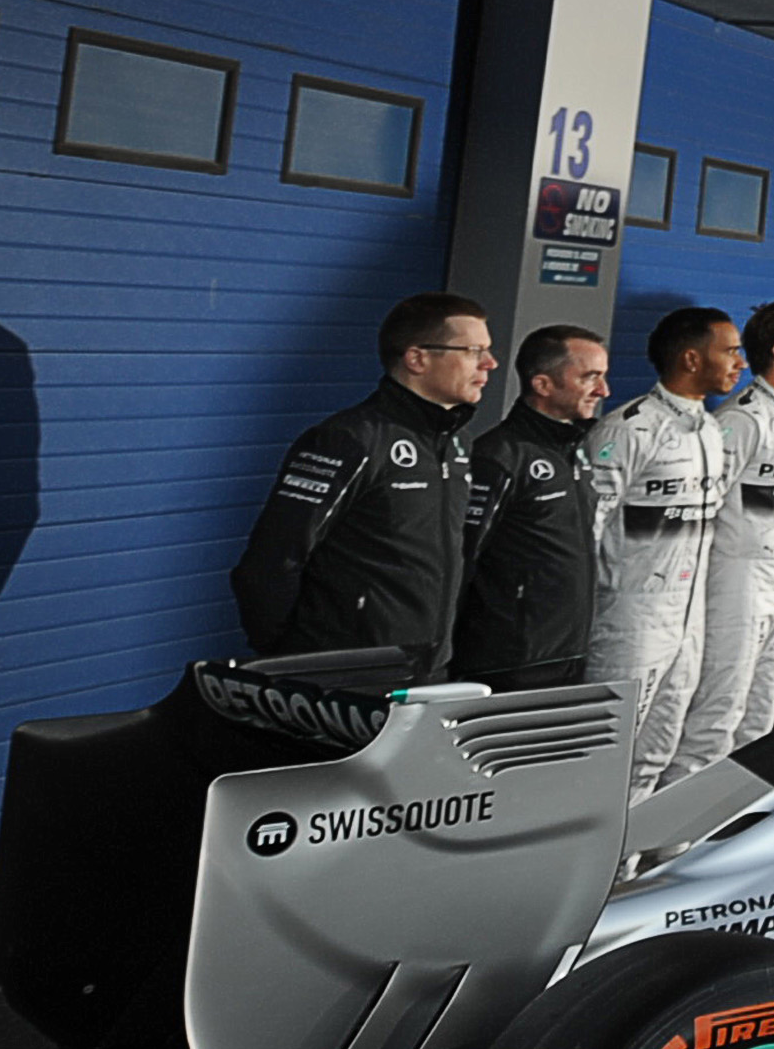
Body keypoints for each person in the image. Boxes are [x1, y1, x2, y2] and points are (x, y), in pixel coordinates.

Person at [234, 290, 495, 668]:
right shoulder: (350, 439)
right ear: (418, 358)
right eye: (472, 351)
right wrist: (291, 658)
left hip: (428, 672)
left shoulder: (456, 442)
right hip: (349, 677)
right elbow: (270, 562)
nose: (490, 363)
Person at [584, 308, 742, 789]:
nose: (740, 362)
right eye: (730, 351)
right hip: (631, 618)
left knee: (659, 747)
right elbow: (587, 531)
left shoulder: (713, 431)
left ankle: (636, 860)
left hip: (688, 617)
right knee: (606, 753)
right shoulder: (627, 429)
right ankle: (592, 862)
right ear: (692, 359)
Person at [687, 298, 774, 777]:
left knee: (763, 712)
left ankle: (732, 821)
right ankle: (674, 840)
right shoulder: (740, 418)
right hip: (737, 580)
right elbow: (704, 505)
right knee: (717, 712)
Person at [454, 322, 608, 689]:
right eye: (590, 377)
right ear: (542, 384)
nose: (603, 390)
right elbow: (461, 562)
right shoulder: (499, 457)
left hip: (567, 652)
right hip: (508, 661)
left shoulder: (574, 452)